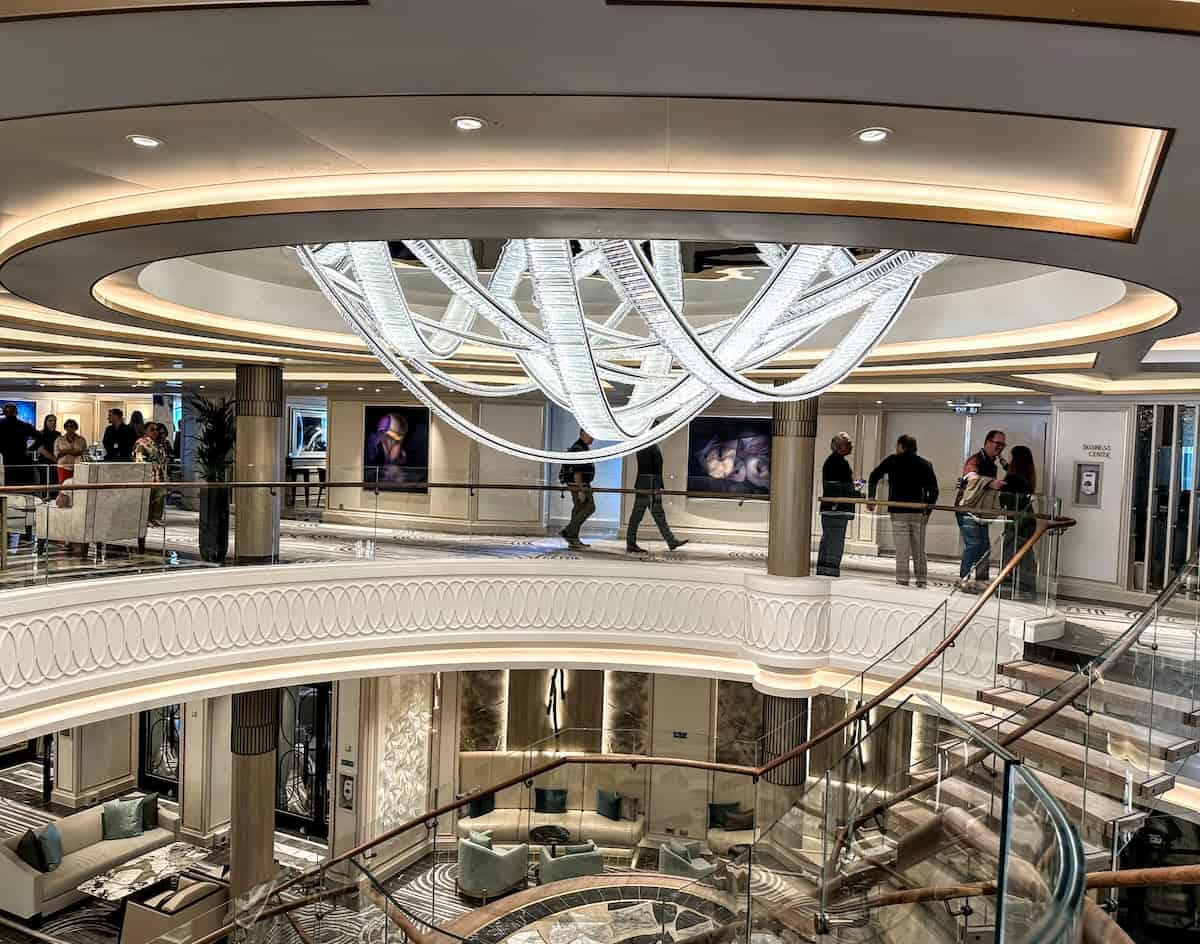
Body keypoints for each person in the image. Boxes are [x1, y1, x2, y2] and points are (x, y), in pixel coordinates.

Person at [867, 434, 939, 588]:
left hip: (898, 511)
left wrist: (871, 497)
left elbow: (874, 476)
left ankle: (902, 579)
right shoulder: (925, 464)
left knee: (902, 549)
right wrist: (927, 510)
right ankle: (921, 580)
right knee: (919, 550)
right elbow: (934, 491)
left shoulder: (893, 460)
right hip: (918, 512)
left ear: (901, 446)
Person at [955, 429, 1008, 592]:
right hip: (968, 510)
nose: (1000, 447)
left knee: (984, 545)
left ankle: (981, 579)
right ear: (987, 442)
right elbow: (970, 475)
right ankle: (963, 578)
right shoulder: (976, 459)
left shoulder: (993, 463)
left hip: (981, 510)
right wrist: (989, 483)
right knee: (974, 544)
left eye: (1002, 445)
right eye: (997, 444)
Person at [626, 443, 688, 554]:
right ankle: (631, 544)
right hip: (648, 487)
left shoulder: (647, 445)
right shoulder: (647, 446)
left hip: (648, 486)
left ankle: (671, 541)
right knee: (638, 515)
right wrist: (655, 489)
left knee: (657, 515)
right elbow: (649, 470)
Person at [817, 432, 860, 577]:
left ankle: (824, 572)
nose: (851, 445)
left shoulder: (834, 461)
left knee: (829, 541)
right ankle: (829, 573)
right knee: (834, 544)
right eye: (848, 443)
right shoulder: (838, 462)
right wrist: (856, 493)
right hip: (836, 509)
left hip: (832, 508)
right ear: (840, 446)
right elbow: (838, 488)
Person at [1000, 445, 1039, 600]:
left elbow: (1005, 499)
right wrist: (1003, 464)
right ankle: (1027, 590)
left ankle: (1009, 590)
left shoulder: (1013, 479)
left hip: (1017, 521)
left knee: (1011, 555)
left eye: (1011, 457)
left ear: (1016, 460)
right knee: (1026, 556)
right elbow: (1010, 471)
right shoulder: (1027, 476)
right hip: (1028, 519)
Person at [559, 429, 596, 550]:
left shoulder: (581, 447)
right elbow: (577, 471)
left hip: (579, 484)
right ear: (582, 434)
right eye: (590, 434)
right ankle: (569, 531)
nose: (592, 437)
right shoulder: (579, 448)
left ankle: (573, 539)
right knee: (589, 507)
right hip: (579, 484)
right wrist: (581, 490)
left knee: (578, 509)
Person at [134, 422, 169, 526]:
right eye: (152, 429)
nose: (155, 432)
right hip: (148, 473)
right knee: (148, 497)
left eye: (156, 430)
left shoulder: (159, 444)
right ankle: (146, 519)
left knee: (160, 496)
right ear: (145, 431)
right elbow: (138, 459)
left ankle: (156, 517)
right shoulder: (141, 442)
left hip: (160, 474)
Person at [0, 402, 37, 486]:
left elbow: (40, 437)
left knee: (9, 486)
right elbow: (40, 437)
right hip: (22, 458)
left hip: (7, 459)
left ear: (4, 413)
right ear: (16, 412)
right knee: (22, 485)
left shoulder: (1, 425)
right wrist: (31, 449)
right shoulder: (25, 425)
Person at [53, 418, 86, 484]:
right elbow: (57, 454)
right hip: (63, 466)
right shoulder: (59, 439)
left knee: (76, 486)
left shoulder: (81, 439)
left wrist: (65, 451)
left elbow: (82, 452)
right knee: (63, 486)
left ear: (75, 428)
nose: (69, 428)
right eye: (67, 426)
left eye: (71, 426)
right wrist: (72, 451)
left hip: (77, 467)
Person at [33, 414, 59, 495]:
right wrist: (55, 460)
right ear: (46, 422)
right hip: (45, 462)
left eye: (54, 421)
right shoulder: (41, 433)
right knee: (45, 481)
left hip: (56, 462)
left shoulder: (58, 434)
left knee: (55, 483)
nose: (53, 423)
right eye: (50, 420)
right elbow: (40, 449)